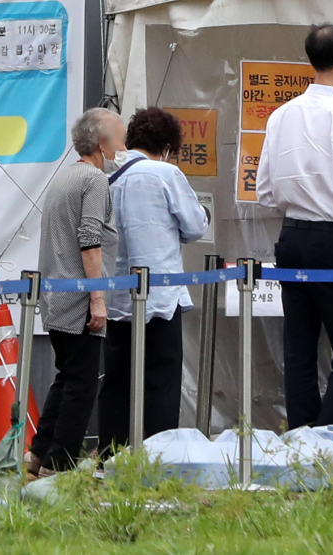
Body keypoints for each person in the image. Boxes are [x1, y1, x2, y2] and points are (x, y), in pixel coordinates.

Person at [255, 24, 333, 430]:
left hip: (292, 237)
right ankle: (327, 443)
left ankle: (301, 439)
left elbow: (265, 189)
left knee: (299, 350)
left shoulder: (280, 116)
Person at [99, 107, 208, 453]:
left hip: (117, 297)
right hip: (161, 296)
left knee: (118, 379)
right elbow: (194, 226)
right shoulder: (166, 173)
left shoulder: (108, 178)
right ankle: (159, 456)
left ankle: (112, 454)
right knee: (161, 378)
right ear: (166, 146)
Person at [31, 108, 125, 474]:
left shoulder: (64, 178)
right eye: (119, 137)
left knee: (67, 376)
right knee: (82, 386)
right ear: (102, 143)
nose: (123, 145)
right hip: (80, 297)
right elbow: (90, 239)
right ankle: (60, 464)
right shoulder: (95, 181)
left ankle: (39, 453)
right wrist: (97, 297)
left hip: (57, 295)